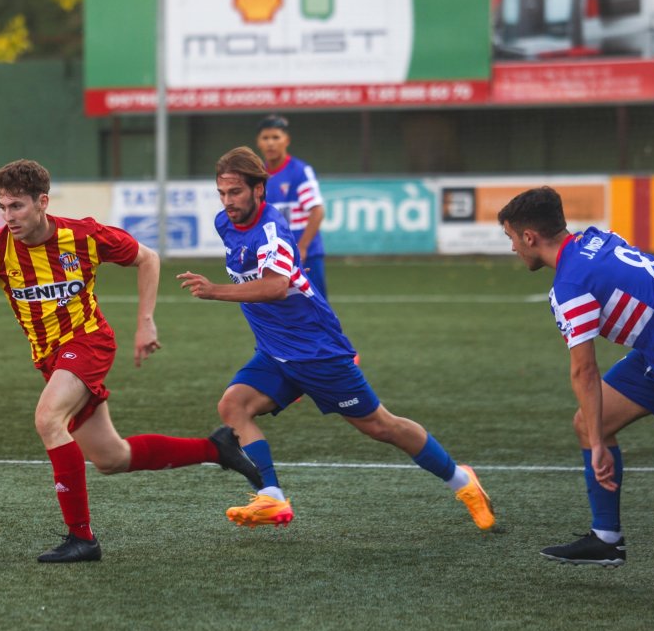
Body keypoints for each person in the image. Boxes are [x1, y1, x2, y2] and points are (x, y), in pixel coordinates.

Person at [0, 159, 263, 563]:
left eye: (17, 206)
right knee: (112, 458)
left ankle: (82, 539)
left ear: (42, 202)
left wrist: (145, 321)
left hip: (88, 343)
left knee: (47, 420)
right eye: (3, 207)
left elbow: (148, 258)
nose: (9, 217)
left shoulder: (83, 235)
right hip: (50, 359)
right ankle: (216, 449)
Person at [177, 146, 495, 532]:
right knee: (233, 406)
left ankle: (463, 482)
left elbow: (277, 287)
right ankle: (272, 497)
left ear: (260, 189)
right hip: (275, 352)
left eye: (236, 193)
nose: (228, 202)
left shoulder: (272, 230)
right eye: (222, 193)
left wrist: (215, 291)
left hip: (316, 351)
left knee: (382, 427)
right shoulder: (225, 223)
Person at [498, 186, 654, 567]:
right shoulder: (597, 238)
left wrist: (600, 446)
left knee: (593, 431)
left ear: (529, 237)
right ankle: (606, 539)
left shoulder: (569, 286)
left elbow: (584, 369)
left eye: (512, 238)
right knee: (587, 422)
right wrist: (595, 434)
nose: (513, 248)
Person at [256, 115, 329, 298]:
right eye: (265, 138)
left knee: (316, 307)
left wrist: (302, 247)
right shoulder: (258, 176)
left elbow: (317, 211)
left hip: (306, 255)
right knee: (282, 311)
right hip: (276, 258)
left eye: (276, 137)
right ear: (258, 142)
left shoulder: (299, 171)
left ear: (286, 140)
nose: (270, 143)